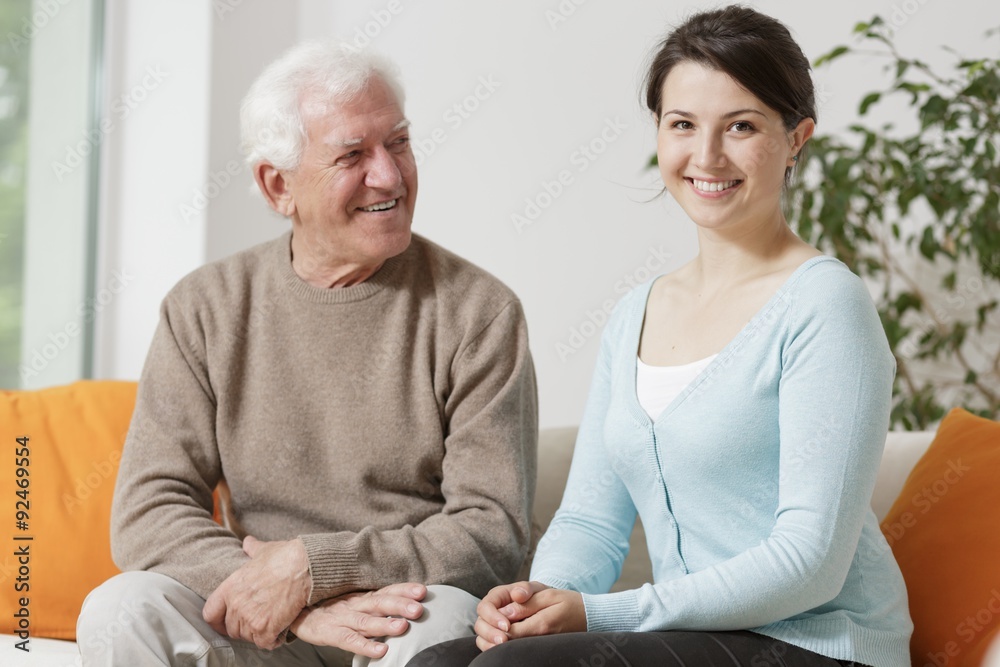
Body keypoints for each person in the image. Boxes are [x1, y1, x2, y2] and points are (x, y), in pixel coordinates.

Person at [407, 6, 912, 667]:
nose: (706, 156)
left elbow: (809, 563)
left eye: (741, 126)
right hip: (702, 639)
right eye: (683, 124)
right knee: (440, 662)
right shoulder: (635, 314)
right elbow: (591, 520)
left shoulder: (825, 305)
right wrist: (537, 600)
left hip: (818, 642)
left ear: (797, 139)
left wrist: (599, 611)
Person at [76, 40, 537, 667]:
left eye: (398, 143)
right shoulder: (204, 308)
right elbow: (148, 511)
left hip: (398, 615)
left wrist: (315, 568)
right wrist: (287, 600)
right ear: (278, 186)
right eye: (352, 155)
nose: (390, 175)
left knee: (444, 622)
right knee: (120, 609)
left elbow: (491, 532)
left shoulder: (480, 313)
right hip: (265, 624)